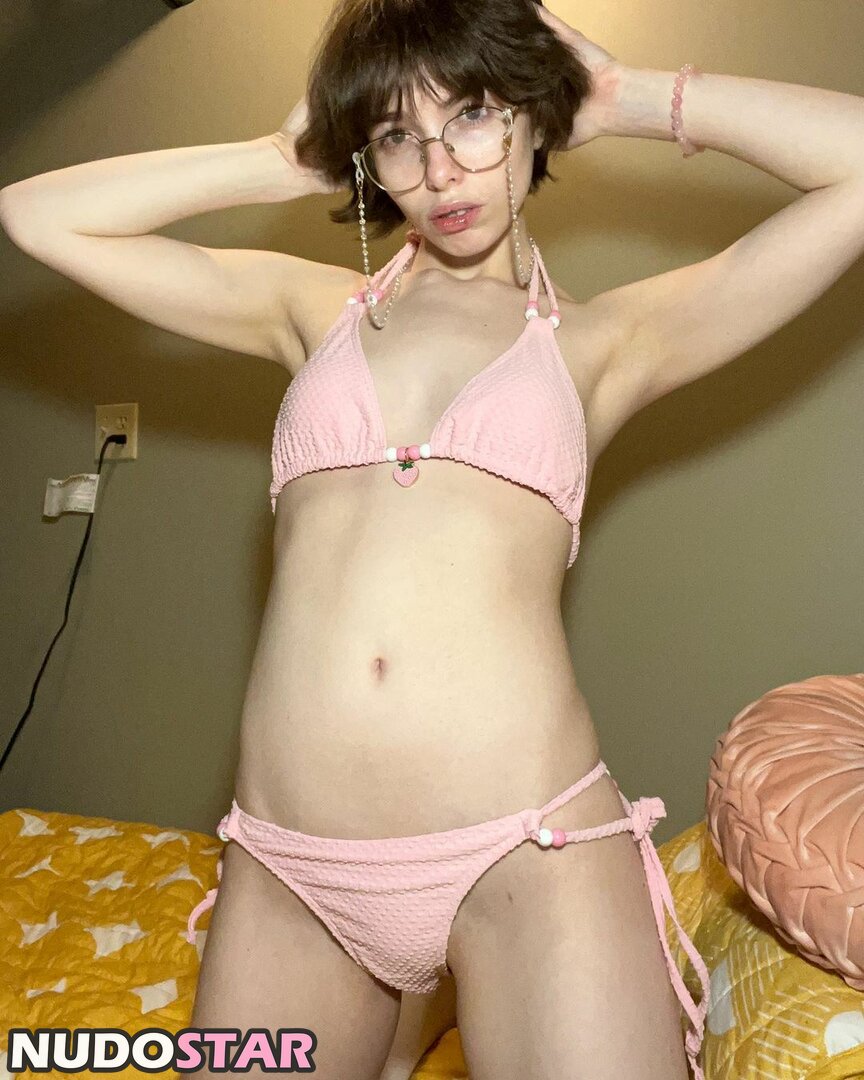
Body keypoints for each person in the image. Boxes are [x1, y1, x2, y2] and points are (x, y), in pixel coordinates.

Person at [3, 1, 863, 1076]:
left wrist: (627, 98)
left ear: (534, 119)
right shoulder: (310, 310)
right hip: (291, 871)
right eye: (397, 136)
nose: (441, 169)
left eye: (475, 116)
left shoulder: (607, 341)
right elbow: (37, 215)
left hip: (526, 849)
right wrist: (280, 157)